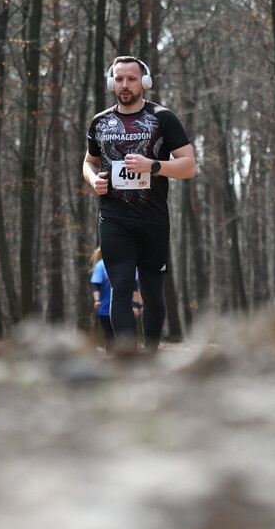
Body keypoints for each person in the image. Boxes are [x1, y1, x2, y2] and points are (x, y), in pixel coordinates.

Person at [82, 56, 196, 352]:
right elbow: (88, 162)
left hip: (153, 219)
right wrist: (93, 181)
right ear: (112, 83)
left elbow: (189, 167)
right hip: (114, 217)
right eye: (119, 79)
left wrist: (153, 166)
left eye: (131, 79)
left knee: (151, 289)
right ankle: (129, 357)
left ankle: (152, 354)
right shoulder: (100, 121)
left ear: (143, 82)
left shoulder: (163, 118)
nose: (125, 85)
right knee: (120, 286)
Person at [89, 247, 140, 347]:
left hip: (124, 309)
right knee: (112, 337)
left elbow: (134, 287)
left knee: (121, 337)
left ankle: (125, 358)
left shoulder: (128, 264)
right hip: (106, 309)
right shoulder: (101, 265)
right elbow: (96, 286)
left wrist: (136, 305)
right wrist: (97, 300)